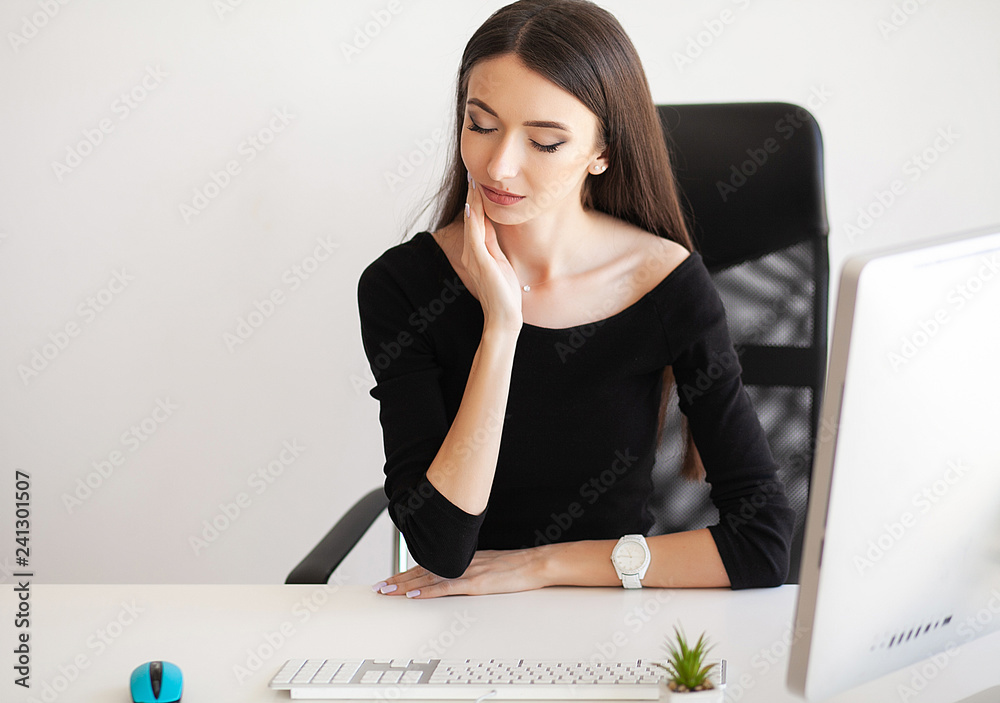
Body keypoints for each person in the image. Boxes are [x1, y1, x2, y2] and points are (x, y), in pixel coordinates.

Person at [358, 0, 795, 599]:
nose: (500, 166)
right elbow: (441, 546)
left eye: (544, 142)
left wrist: (542, 565)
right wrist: (501, 329)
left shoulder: (665, 284)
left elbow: (762, 544)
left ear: (601, 152)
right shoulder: (401, 287)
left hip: (612, 613)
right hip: (462, 620)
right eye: (480, 125)